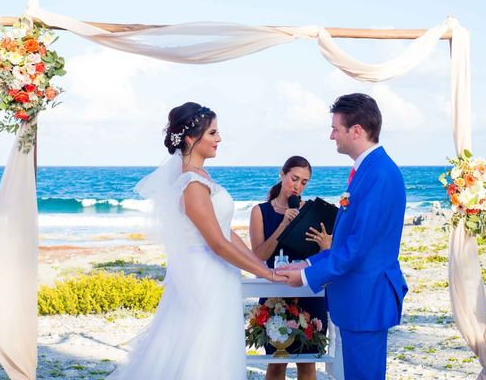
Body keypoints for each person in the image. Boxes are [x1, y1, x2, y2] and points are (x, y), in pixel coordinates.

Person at [111, 102, 285, 380]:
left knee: (217, 348)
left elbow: (226, 233)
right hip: (205, 277)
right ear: (191, 138)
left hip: (220, 272)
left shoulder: (202, 177)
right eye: (213, 133)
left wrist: (262, 267)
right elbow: (217, 243)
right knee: (202, 352)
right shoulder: (191, 183)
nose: (219, 139)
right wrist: (267, 274)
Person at [277, 93, 408, 380]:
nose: (331, 135)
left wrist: (307, 277)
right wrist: (309, 265)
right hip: (359, 297)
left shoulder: (379, 174)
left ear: (356, 131)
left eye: (336, 128)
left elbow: (358, 247)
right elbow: (349, 241)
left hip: (366, 297)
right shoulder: (369, 170)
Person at [249, 156, 331, 380]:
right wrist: (284, 225)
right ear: (282, 175)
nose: (298, 186)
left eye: (304, 182)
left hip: (308, 291)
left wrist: (327, 246)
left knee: (308, 363)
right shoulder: (260, 211)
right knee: (276, 364)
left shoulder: (312, 212)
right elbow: (258, 256)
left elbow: (324, 258)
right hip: (275, 294)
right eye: (294, 178)